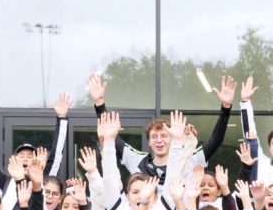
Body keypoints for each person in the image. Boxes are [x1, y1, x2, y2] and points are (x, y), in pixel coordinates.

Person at [88, 71, 234, 189]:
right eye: (154, 137)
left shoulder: (188, 158)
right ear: (149, 142)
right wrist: (100, 104)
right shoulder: (138, 161)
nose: (159, 140)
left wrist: (225, 109)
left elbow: (215, 141)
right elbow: (112, 138)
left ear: (172, 138)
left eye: (164, 136)